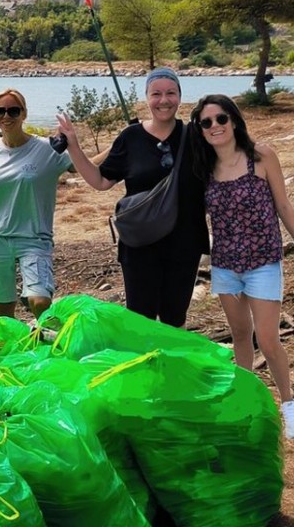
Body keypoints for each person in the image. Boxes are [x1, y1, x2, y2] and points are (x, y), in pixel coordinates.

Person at [57, 67, 209, 326]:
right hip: (140, 243)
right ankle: (144, 365)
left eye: (171, 93)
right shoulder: (131, 137)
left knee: (175, 318)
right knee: (140, 319)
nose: (164, 100)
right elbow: (101, 180)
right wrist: (73, 147)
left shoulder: (196, 135)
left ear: (180, 96)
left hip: (185, 242)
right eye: (156, 94)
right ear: (147, 97)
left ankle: (170, 365)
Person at [190, 94, 294, 436]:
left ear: (234, 120)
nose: (215, 127)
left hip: (263, 261)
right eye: (206, 122)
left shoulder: (261, 156)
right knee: (239, 335)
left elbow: (283, 205)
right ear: (200, 130)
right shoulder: (203, 168)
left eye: (221, 119)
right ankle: (245, 400)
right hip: (226, 266)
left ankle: (289, 406)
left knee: (267, 338)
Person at [0, 89, 73, 318]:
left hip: (34, 237)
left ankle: (45, 346)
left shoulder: (48, 149)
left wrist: (122, 142)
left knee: (40, 301)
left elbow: (86, 167)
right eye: (0, 111)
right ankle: (15, 352)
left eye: (13, 110)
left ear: (24, 114)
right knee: (3, 310)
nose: (6, 116)